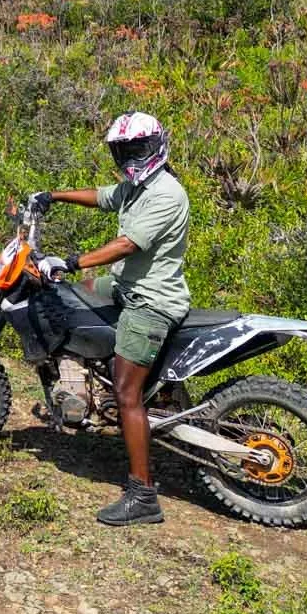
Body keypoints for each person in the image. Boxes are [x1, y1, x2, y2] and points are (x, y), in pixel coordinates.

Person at [29, 111, 190, 528]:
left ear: (154, 145)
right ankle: (79, 375)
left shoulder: (164, 194)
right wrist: (53, 196)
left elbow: (125, 244)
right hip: (123, 287)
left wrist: (69, 261)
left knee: (127, 395)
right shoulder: (138, 186)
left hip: (150, 302)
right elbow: (103, 196)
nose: (128, 157)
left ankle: (143, 496)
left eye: (135, 149)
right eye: (122, 151)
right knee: (70, 298)